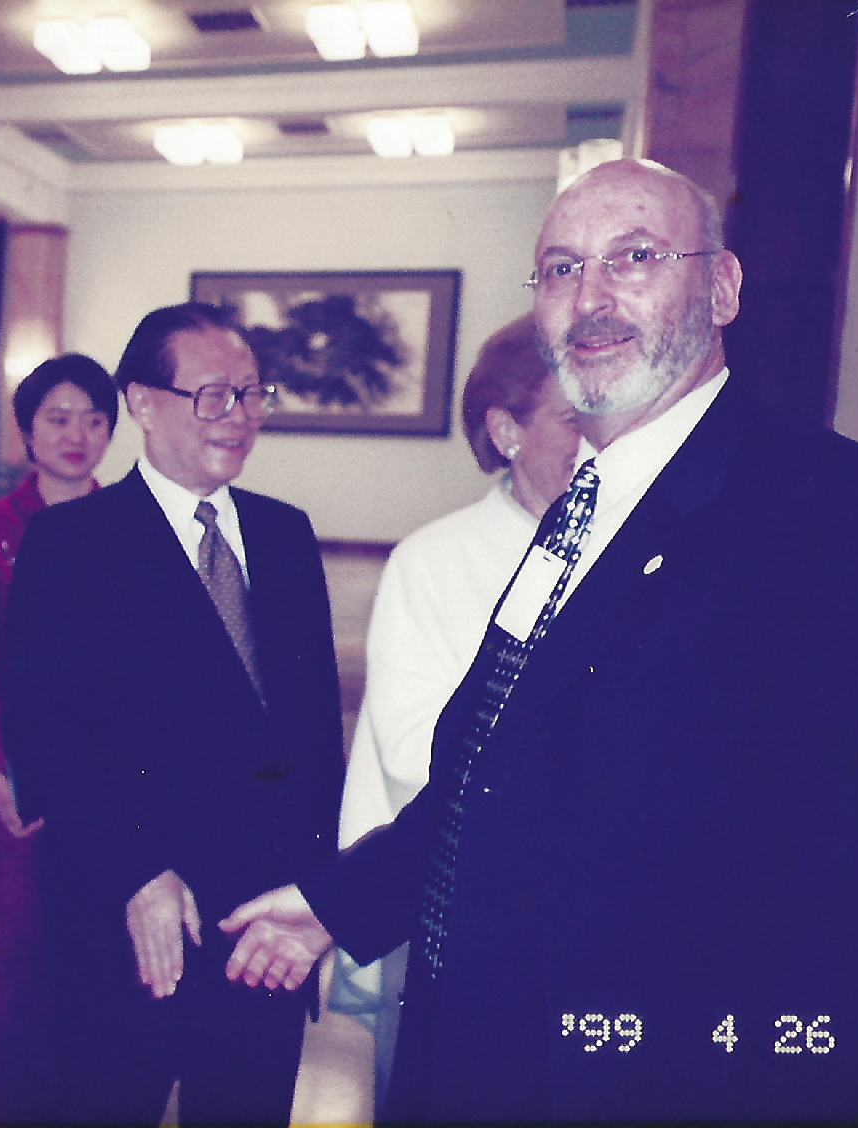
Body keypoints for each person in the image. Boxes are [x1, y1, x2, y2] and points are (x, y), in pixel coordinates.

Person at [220, 158, 858, 1121]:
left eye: (636, 257)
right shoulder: (582, 506)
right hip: (474, 1053)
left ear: (723, 286)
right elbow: (496, 770)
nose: (593, 296)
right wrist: (339, 903)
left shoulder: (852, 519)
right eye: (563, 268)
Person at [0, 303, 345, 1125]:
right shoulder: (72, 543)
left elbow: (314, 733)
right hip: (135, 912)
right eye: (215, 395)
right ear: (144, 403)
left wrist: (318, 893)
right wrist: (136, 871)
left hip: (265, 920)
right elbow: (46, 733)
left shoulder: (284, 534)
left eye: (253, 395)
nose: (241, 417)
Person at [332, 312, 580, 1104]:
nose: (599, 441)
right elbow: (416, 753)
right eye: (574, 421)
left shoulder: (626, 546)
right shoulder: (434, 559)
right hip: (449, 904)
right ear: (506, 430)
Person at [0, 353, 119, 1125]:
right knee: (9, 949)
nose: (76, 434)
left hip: (109, 776)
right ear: (25, 431)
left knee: (97, 943)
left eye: (93, 418)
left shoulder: (128, 524)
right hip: (12, 773)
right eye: (57, 418)